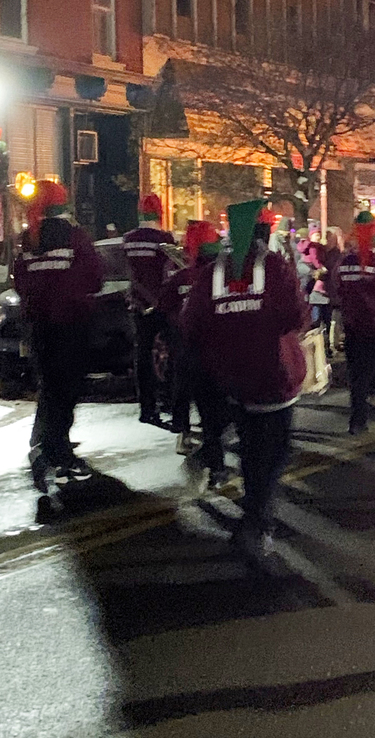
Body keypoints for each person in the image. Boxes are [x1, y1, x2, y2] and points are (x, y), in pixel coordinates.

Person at [182, 199, 306, 559]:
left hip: (235, 380)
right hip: (276, 377)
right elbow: (295, 316)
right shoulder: (275, 267)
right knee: (275, 452)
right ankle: (258, 520)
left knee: (251, 452)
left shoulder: (211, 274)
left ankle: (254, 514)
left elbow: (191, 325)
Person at [15, 181, 103, 491]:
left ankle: (54, 447)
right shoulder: (74, 236)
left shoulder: (29, 239)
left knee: (51, 388)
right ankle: (57, 454)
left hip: (39, 328)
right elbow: (95, 276)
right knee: (67, 391)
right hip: (71, 326)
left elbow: (21, 282)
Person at [334, 211, 375, 434]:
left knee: (358, 378)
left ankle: (358, 420)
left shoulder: (343, 263)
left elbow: (334, 291)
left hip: (354, 330)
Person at [157, 220, 222, 456]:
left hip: (184, 341)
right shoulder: (218, 275)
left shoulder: (181, 276)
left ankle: (184, 433)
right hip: (211, 344)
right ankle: (213, 446)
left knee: (183, 388)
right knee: (212, 395)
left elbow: (163, 307)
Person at [123, 194, 175, 427]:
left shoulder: (128, 239)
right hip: (162, 305)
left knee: (143, 357)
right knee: (169, 354)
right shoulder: (164, 239)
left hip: (137, 305)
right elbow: (170, 272)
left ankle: (146, 407)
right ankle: (170, 402)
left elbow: (131, 273)